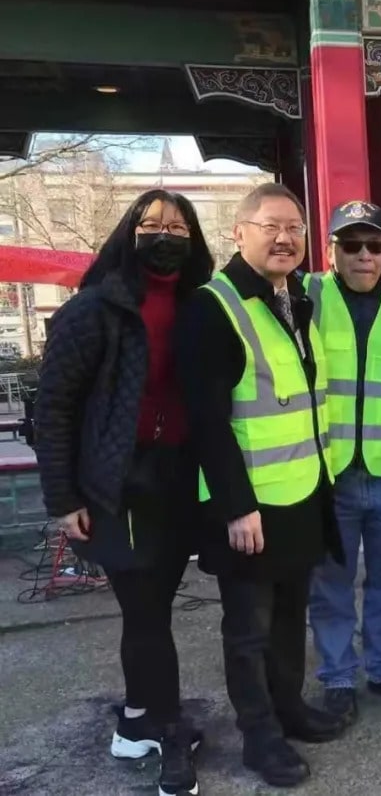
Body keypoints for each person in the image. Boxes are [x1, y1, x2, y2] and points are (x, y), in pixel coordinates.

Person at [35, 190, 212, 796]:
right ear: (128, 232)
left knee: (154, 609)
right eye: (151, 224)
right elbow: (53, 408)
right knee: (145, 614)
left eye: (178, 227)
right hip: (119, 482)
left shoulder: (199, 304)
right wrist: (63, 500)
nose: (164, 235)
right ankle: (169, 733)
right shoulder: (93, 309)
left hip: (178, 477)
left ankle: (136, 719)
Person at [175, 182, 347, 788]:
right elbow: (206, 419)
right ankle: (259, 737)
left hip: (301, 492)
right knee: (249, 630)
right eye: (270, 226)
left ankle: (289, 708)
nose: (284, 238)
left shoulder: (296, 296)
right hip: (249, 505)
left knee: (290, 617)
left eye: (295, 227)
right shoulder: (212, 306)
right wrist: (236, 505)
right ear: (239, 233)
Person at [305, 200, 381, 725]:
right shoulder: (305, 295)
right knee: (330, 585)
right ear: (331, 249)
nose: (363, 255)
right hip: (330, 473)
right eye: (350, 244)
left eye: (374, 245)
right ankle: (337, 677)